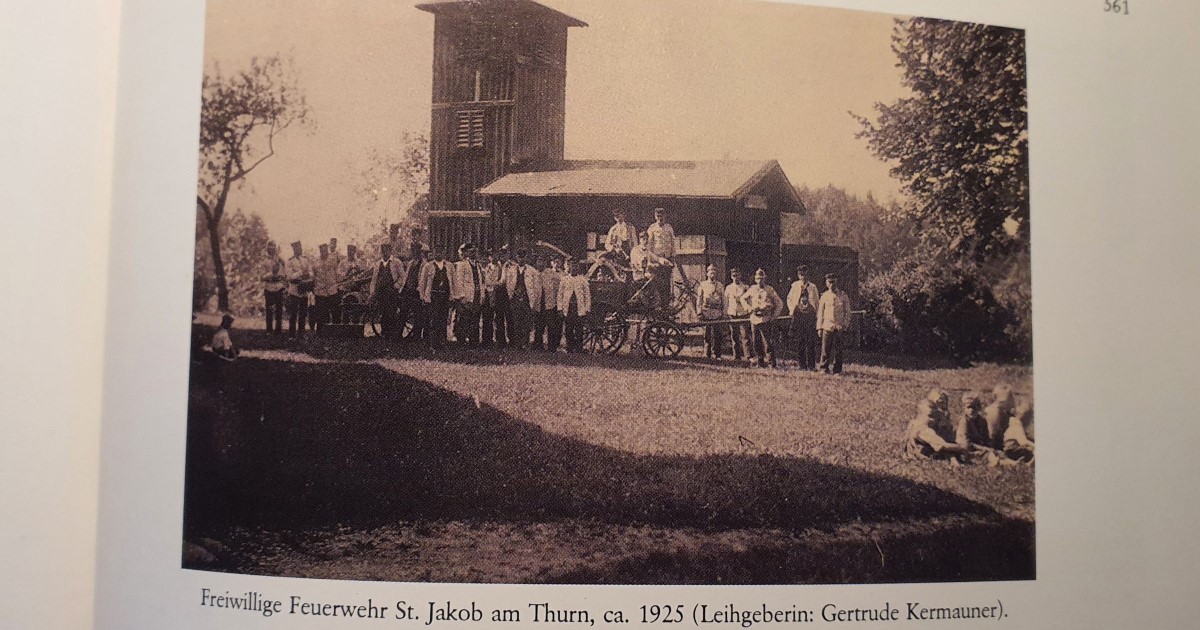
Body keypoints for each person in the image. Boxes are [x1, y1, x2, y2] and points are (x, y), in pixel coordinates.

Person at [904, 389, 969, 460]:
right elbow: (943, 445)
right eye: (938, 405)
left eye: (944, 405)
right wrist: (962, 448)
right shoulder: (923, 427)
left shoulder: (940, 422)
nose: (940, 410)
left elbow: (947, 440)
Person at [739, 269, 784, 368]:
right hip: (755, 318)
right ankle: (760, 362)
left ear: (765, 279)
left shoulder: (769, 290)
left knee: (767, 342)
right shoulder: (752, 289)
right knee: (756, 342)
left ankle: (772, 363)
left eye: (762, 279)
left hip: (766, 319)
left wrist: (774, 316)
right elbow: (742, 298)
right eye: (758, 279)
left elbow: (779, 303)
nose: (760, 281)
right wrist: (748, 308)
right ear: (755, 279)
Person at [503, 248, 542, 350]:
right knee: (515, 322)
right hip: (515, 299)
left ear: (526, 258)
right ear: (516, 258)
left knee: (526, 322)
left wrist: (535, 302)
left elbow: (537, 288)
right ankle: (517, 343)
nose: (521, 260)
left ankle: (525, 343)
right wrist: (512, 295)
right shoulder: (511, 270)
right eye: (519, 257)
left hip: (527, 299)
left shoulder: (532, 271)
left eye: (523, 257)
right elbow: (508, 285)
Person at [815, 273, 851, 374]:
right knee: (825, 349)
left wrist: (845, 324)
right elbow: (820, 313)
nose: (832, 284)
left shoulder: (843, 296)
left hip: (839, 326)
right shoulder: (824, 296)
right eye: (829, 282)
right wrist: (819, 327)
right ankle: (823, 368)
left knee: (838, 350)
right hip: (827, 326)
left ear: (836, 282)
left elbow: (847, 311)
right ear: (826, 283)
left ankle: (837, 370)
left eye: (833, 282)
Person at [787, 265, 820, 370]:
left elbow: (817, 301)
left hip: (809, 316)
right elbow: (789, 299)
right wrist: (792, 310)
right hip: (799, 315)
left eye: (804, 274)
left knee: (810, 341)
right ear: (798, 275)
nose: (803, 277)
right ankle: (802, 365)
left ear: (807, 274)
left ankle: (811, 365)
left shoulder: (813, 287)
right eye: (801, 275)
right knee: (800, 341)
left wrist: (817, 314)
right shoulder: (795, 286)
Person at [419, 247, 454, 347]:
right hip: (433, 295)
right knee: (433, 319)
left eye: (440, 252)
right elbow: (422, 283)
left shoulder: (449, 266)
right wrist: (423, 297)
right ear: (433, 254)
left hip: (444, 295)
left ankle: (442, 341)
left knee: (443, 319)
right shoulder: (428, 266)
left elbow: (453, 282)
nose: (438, 254)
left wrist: (453, 296)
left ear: (443, 253)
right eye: (436, 252)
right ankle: (432, 343)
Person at [451, 243, 484, 346]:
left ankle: (473, 340)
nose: (473, 254)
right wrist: (462, 298)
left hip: (476, 295)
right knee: (464, 319)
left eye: (475, 251)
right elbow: (459, 282)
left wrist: (482, 296)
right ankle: (461, 340)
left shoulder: (478, 265)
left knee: (475, 318)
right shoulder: (462, 265)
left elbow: (480, 281)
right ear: (466, 253)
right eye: (471, 252)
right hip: (466, 296)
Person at [368, 243, 403, 339]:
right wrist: (372, 292)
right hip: (380, 291)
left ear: (390, 251)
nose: (384, 253)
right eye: (383, 251)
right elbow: (374, 279)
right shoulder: (378, 263)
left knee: (391, 312)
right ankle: (384, 332)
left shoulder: (396, 262)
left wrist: (397, 285)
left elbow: (402, 277)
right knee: (382, 312)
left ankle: (392, 333)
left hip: (391, 291)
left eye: (386, 250)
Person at [558, 259, 592, 353]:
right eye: (572, 266)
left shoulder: (583, 280)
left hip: (579, 308)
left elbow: (587, 296)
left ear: (578, 268)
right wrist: (560, 308)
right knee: (568, 330)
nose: (574, 268)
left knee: (579, 330)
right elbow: (560, 295)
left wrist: (587, 308)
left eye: (576, 266)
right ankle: (570, 347)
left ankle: (579, 348)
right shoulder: (564, 279)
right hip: (568, 308)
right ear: (569, 267)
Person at [645, 207, 676, 308]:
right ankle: (657, 306)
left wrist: (673, 257)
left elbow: (673, 243)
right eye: (658, 216)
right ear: (655, 217)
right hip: (656, 260)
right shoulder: (652, 228)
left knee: (666, 284)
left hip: (667, 260)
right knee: (657, 284)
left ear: (665, 216)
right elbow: (649, 247)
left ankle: (665, 306)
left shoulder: (669, 228)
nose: (660, 218)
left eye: (661, 216)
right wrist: (651, 261)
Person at [396, 241, 425, 342]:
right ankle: (398, 335)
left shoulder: (424, 264)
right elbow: (406, 278)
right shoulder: (410, 263)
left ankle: (416, 336)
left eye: (416, 251)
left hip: (417, 293)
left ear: (420, 252)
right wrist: (402, 289)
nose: (414, 253)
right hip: (408, 292)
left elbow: (422, 279)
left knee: (418, 315)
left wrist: (419, 291)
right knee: (403, 313)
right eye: (413, 251)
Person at [695, 264, 726, 359]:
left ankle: (718, 354)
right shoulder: (703, 285)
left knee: (718, 334)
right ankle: (707, 353)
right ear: (707, 273)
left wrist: (724, 312)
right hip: (706, 311)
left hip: (717, 312)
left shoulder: (720, 285)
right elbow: (699, 299)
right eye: (710, 271)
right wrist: (699, 311)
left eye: (714, 271)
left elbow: (724, 299)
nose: (712, 273)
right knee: (707, 334)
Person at [534, 255, 563, 351]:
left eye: (542, 261)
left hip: (549, 304)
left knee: (551, 326)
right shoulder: (533, 273)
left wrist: (557, 302)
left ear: (545, 263)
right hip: (538, 304)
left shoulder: (551, 273)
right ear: (536, 263)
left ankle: (552, 347)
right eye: (539, 261)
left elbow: (560, 285)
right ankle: (538, 346)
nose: (540, 263)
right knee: (538, 326)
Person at [724, 268, 753, 362]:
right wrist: (725, 312)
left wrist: (749, 310)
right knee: (734, 336)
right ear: (731, 277)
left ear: (740, 275)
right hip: (732, 314)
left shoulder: (745, 287)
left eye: (737, 275)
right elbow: (726, 301)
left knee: (745, 336)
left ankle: (748, 356)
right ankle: (736, 356)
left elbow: (749, 300)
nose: (736, 277)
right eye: (734, 276)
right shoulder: (728, 288)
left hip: (743, 313)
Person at [285, 241, 312, 338]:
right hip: (294, 290)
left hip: (304, 290)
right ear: (293, 249)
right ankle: (292, 335)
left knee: (303, 314)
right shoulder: (290, 261)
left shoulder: (305, 260)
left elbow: (311, 272)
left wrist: (307, 274)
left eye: (300, 247)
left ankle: (301, 333)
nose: (299, 249)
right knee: (293, 314)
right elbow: (289, 276)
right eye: (297, 248)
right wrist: (300, 272)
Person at [311, 243, 342, 331]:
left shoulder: (333, 260)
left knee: (335, 313)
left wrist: (338, 284)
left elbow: (338, 273)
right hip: (320, 292)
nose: (323, 251)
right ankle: (321, 333)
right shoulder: (315, 261)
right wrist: (314, 288)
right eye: (321, 250)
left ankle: (336, 332)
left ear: (327, 249)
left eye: (325, 249)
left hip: (332, 290)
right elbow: (313, 276)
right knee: (321, 314)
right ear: (320, 250)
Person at [261, 241, 286, 335]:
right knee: (269, 309)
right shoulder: (264, 260)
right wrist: (271, 275)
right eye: (270, 248)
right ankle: (269, 329)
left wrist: (281, 277)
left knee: (279, 309)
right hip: (269, 286)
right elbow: (261, 276)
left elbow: (285, 270)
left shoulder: (280, 259)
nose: (272, 250)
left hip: (279, 286)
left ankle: (278, 329)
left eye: (273, 248)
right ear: (267, 249)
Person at [984, 383, 1017, 449]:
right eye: (1011, 396)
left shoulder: (1004, 412)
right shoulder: (994, 412)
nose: (1013, 399)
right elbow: (992, 437)